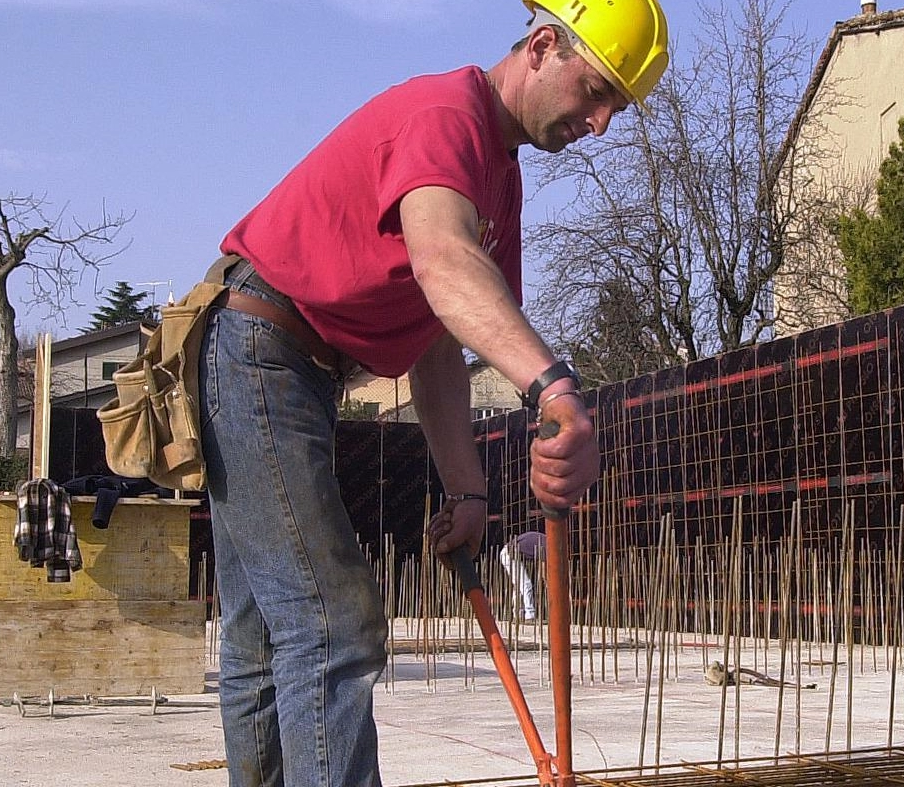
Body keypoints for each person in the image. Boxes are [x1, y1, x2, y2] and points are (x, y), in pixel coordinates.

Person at [197, 1, 670, 785]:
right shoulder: (445, 115)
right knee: (333, 626)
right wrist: (556, 389)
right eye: (596, 91)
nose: (602, 123)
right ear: (545, 45)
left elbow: (443, 333)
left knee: (259, 635)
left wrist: (469, 491)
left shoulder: (500, 182)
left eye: (617, 106)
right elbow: (443, 261)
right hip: (257, 353)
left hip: (292, 369)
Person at [499, 530, 547, 620]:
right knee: (526, 584)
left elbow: (541, 567)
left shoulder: (543, 540)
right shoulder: (546, 546)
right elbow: (543, 568)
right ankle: (530, 615)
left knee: (519, 586)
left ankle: (518, 614)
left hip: (509, 553)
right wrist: (546, 582)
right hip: (509, 555)